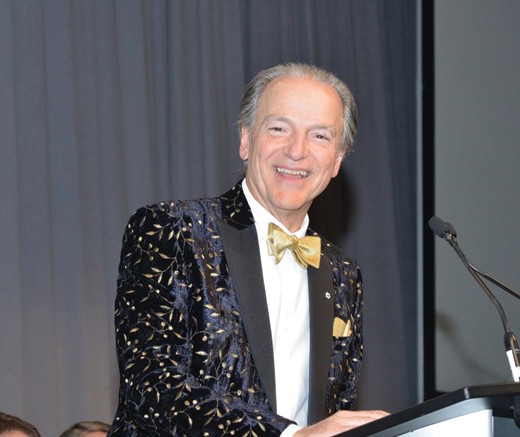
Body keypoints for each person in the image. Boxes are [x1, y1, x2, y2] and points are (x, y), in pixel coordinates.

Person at [107, 63, 388, 436]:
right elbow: (153, 387)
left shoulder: (343, 273)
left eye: (320, 136)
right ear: (245, 139)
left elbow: (334, 412)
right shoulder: (172, 229)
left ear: (337, 160)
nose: (297, 151)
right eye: (278, 129)